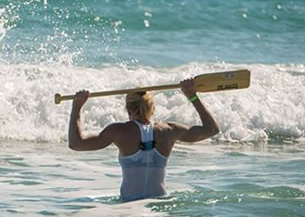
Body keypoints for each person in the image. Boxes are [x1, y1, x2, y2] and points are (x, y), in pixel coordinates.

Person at [67, 78, 219, 201]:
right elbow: (212, 130)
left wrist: (77, 107)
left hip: (129, 206)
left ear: (129, 109)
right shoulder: (169, 131)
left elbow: (76, 144)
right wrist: (192, 95)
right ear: (152, 108)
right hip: (161, 204)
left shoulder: (119, 131)